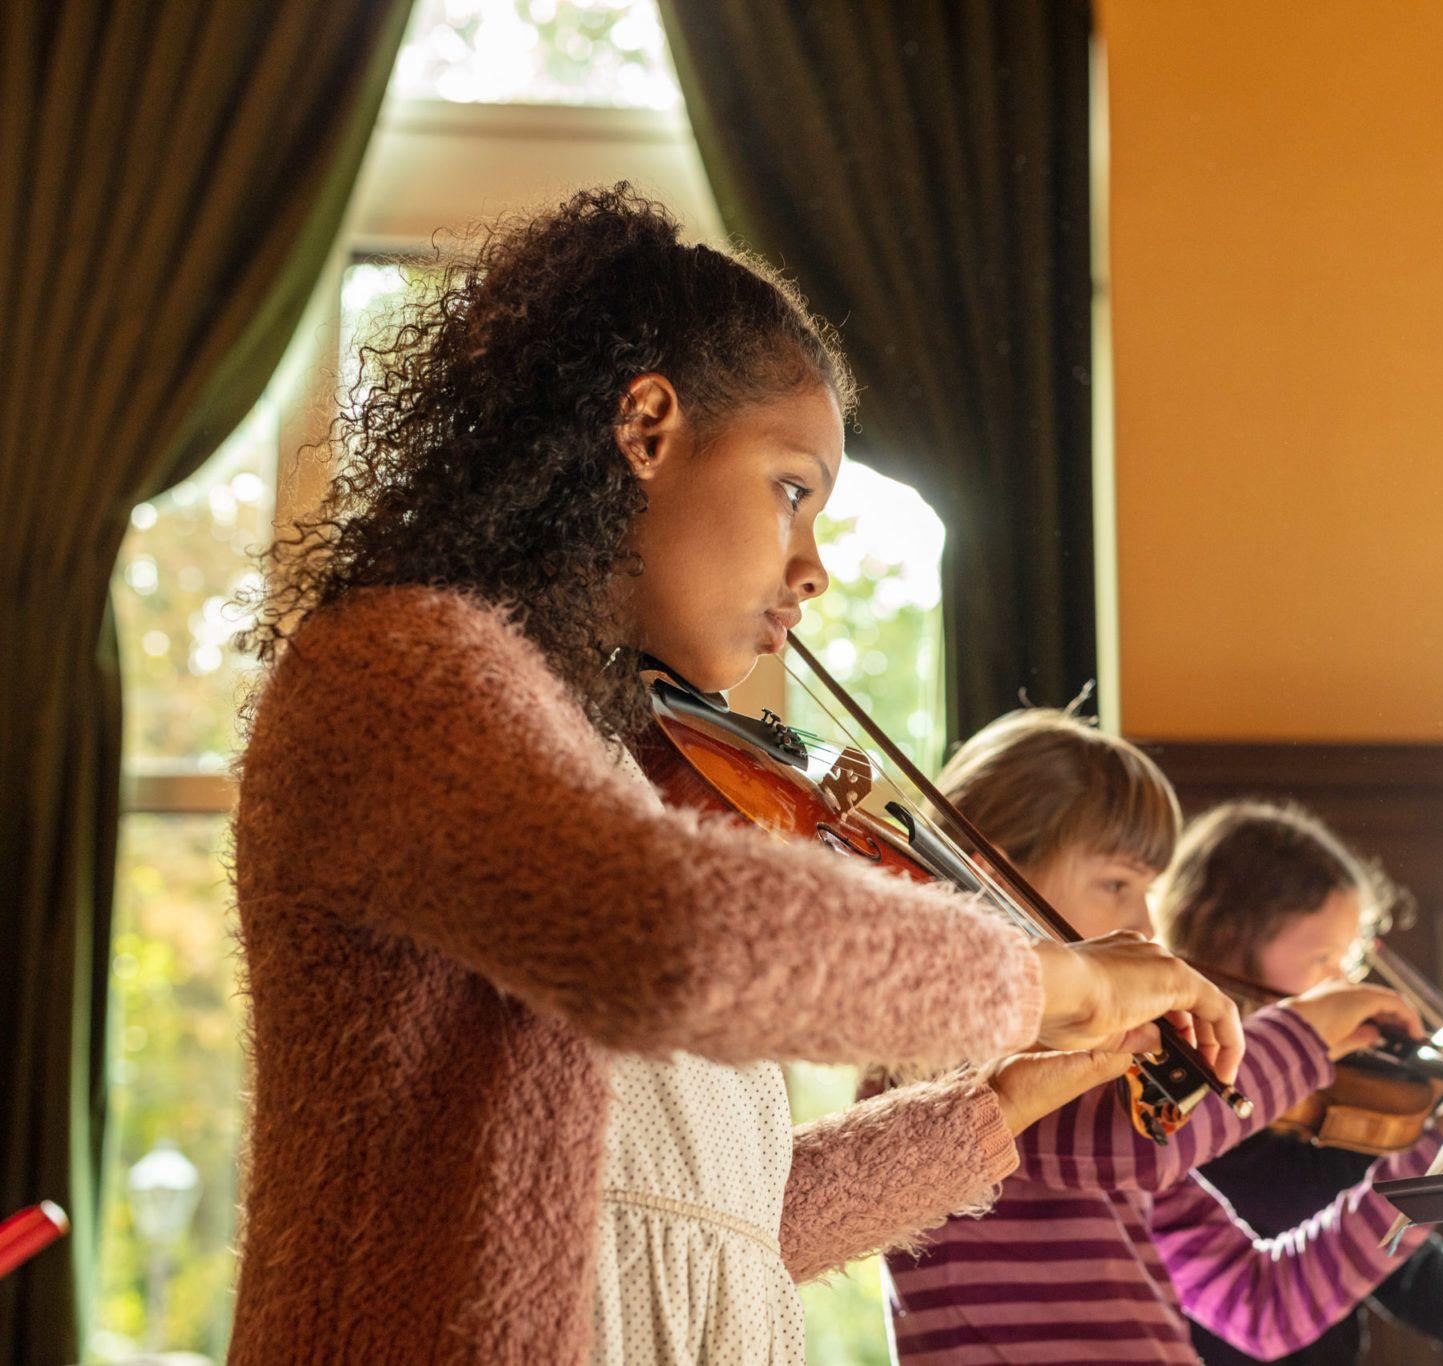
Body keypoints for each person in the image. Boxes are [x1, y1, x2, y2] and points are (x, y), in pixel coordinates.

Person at [227, 185, 1242, 1364]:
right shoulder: (396, 670)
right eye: (793, 488)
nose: (811, 565)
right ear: (646, 427)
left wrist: (1006, 1097)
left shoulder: (610, 760)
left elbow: (722, 1224)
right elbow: (676, 934)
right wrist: (1055, 980)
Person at [880, 709, 1443, 1363]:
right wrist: (1308, 1030)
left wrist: (1436, 1148)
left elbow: (1262, 1305)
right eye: (1117, 885)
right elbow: (1136, 1144)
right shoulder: (943, 1062)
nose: (1147, 925)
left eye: (1148, 891)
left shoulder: (1108, 1083)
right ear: (992, 875)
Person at [1159, 800, 1443, 1363]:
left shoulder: (1326, 1119)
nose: (1345, 986)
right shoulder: (1212, 1126)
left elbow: (1442, 1295)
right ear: (1224, 944)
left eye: (1349, 960)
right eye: (1322, 959)